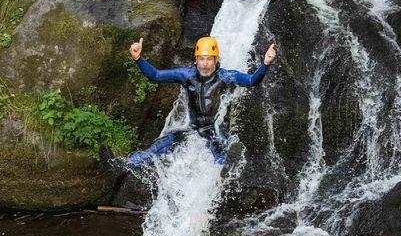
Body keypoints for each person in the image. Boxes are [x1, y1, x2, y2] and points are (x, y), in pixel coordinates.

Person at [98, 35, 277, 184]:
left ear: (216, 60)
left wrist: (266, 63)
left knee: (221, 151)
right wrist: (138, 58)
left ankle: (228, 172)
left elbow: (252, 81)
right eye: (201, 59)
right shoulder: (186, 75)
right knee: (158, 146)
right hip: (192, 128)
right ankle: (120, 165)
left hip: (213, 130)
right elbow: (155, 75)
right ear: (196, 59)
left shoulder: (226, 77)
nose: (205, 64)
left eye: (209, 59)